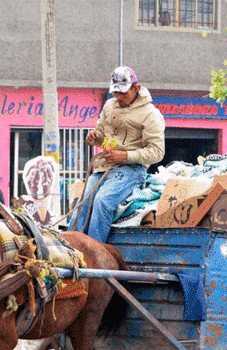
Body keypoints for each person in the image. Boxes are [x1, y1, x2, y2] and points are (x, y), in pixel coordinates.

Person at [69, 66, 165, 242]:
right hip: (103, 168)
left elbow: (157, 152)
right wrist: (95, 137)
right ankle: (68, 249)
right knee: (81, 204)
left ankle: (93, 251)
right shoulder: (109, 106)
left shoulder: (151, 114)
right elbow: (102, 136)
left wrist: (125, 156)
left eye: (123, 94)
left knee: (102, 202)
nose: (119, 98)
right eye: (115, 94)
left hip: (131, 170)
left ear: (136, 88)